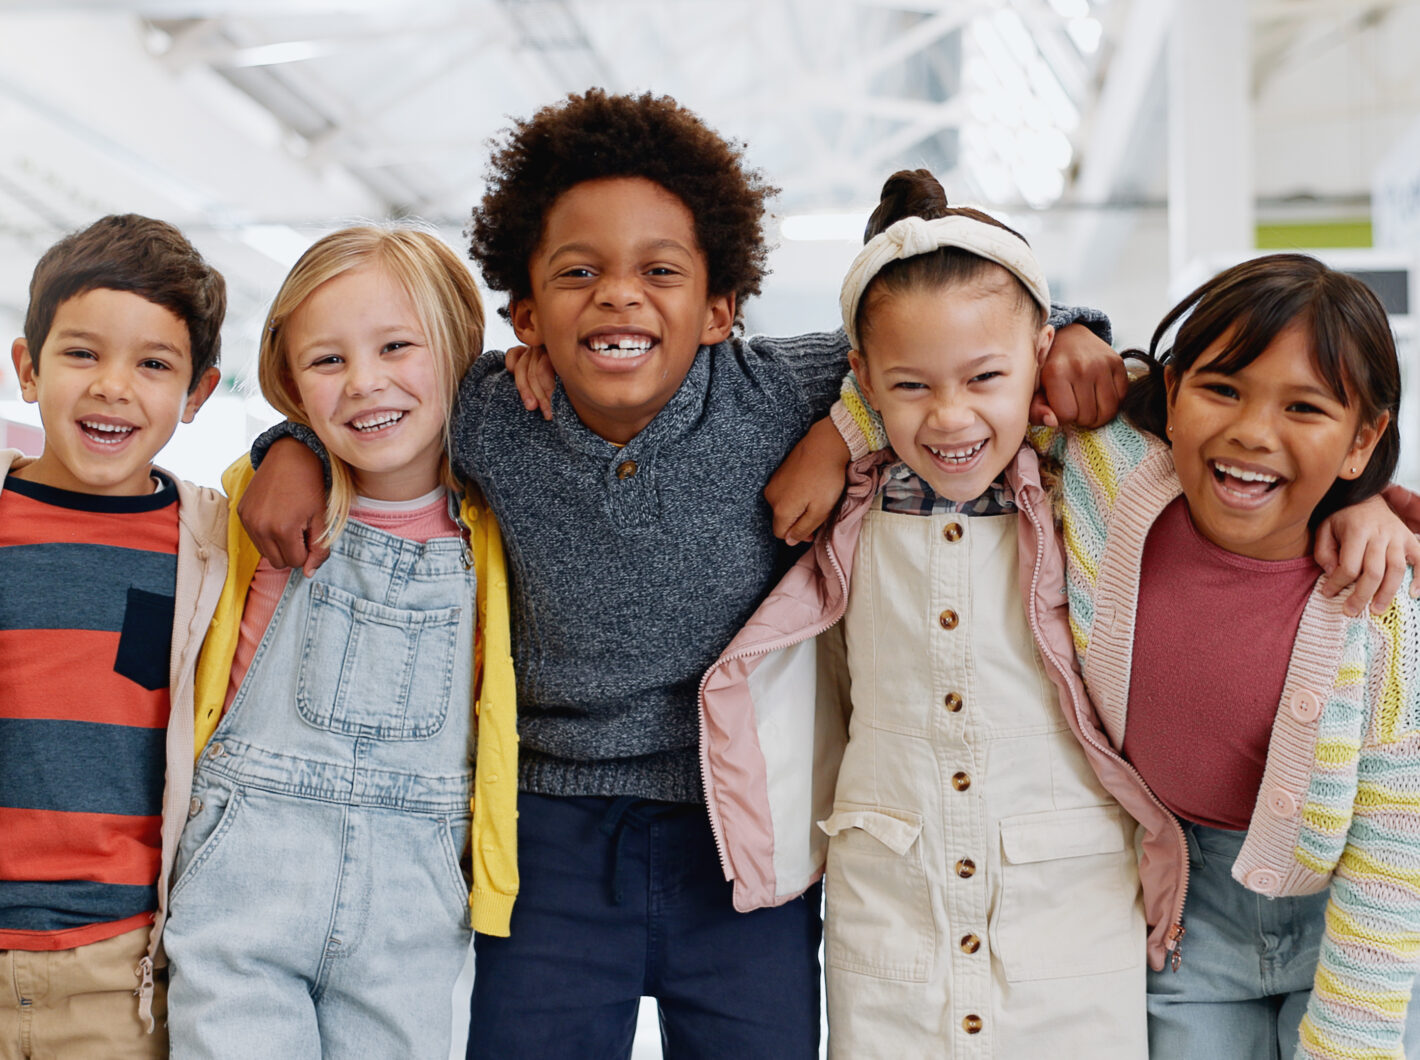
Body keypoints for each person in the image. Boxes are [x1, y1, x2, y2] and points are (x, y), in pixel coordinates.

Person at [238, 91, 1124, 1059]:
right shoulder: (488, 411)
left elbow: (949, 319)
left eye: (658, 271)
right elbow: (374, 398)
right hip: (552, 839)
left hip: (740, 832)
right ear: (525, 313)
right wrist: (290, 445)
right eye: (578, 272)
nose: (618, 295)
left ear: (717, 309)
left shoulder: (776, 390)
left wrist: (1072, 329)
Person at [797, 250, 1420, 1058]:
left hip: (1349, 915)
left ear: (1361, 441)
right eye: (1222, 389)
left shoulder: (1377, 606)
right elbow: (946, 381)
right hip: (1182, 910)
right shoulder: (1114, 482)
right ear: (1170, 391)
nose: (1251, 431)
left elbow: (1390, 859)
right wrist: (834, 435)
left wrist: (1368, 503)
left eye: (1303, 409)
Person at [700, 170, 1157, 1056]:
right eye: (909, 387)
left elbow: (1248, 468)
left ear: (1040, 358)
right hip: (889, 915)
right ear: (863, 379)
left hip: (1072, 912)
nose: (950, 416)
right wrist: (840, 435)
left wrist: (1362, 507)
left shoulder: (1091, 479)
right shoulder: (847, 510)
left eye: (985, 376)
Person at [161, 225, 517, 1059]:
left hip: (416, 902)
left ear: (463, 347)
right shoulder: (260, 499)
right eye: (328, 362)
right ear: (290, 383)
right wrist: (294, 443)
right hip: (244, 877)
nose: (365, 383)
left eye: (398, 346)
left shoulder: (503, 520)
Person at [0, 214, 225, 1057]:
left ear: (197, 395)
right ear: (28, 369)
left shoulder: (213, 546)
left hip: (118, 976)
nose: (113, 387)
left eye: (154, 365)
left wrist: (293, 448)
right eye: (82, 353)